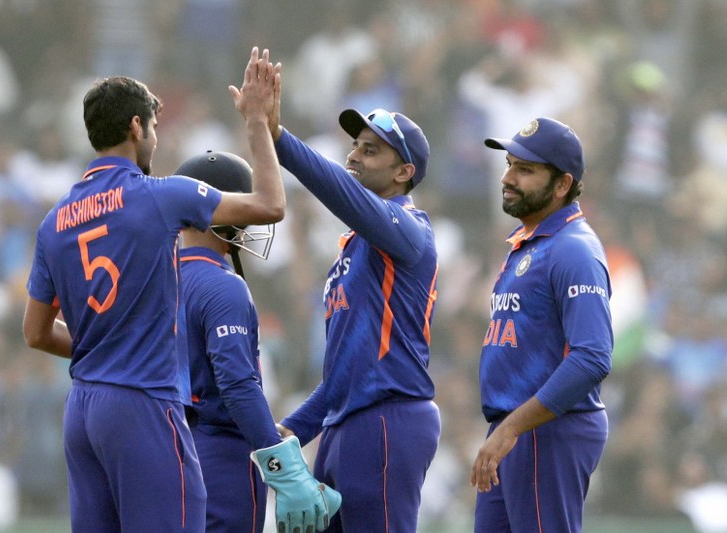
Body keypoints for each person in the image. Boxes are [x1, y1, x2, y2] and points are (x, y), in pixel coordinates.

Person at [21, 47, 287, 533]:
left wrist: (104, 353)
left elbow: (36, 334)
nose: (156, 141)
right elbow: (270, 205)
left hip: (82, 411)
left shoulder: (53, 222)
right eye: (155, 129)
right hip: (143, 405)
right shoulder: (161, 194)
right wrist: (255, 121)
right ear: (137, 127)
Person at [267, 64, 442, 530]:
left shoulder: (410, 229)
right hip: (346, 423)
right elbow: (347, 369)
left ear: (405, 172)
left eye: (371, 150)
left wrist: (278, 137)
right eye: (355, 146)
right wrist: (291, 431)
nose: (355, 156)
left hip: (387, 419)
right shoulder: (354, 247)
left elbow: (341, 193)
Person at [175, 150, 340, 532]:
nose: (250, 217)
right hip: (220, 454)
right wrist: (285, 467)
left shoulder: (156, 281)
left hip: (167, 449)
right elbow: (235, 384)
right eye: (242, 205)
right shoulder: (222, 285)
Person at [470, 117, 612, 533]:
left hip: (545, 429)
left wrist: (512, 428)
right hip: (515, 430)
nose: (508, 177)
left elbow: (592, 357)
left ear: (563, 184)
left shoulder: (574, 250)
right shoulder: (529, 243)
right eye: (510, 164)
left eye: (525, 170)